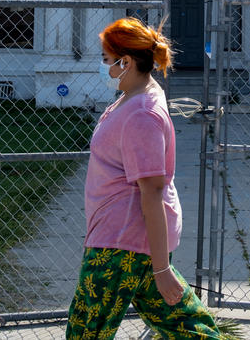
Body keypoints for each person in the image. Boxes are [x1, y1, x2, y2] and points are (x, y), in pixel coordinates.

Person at [66, 17, 221, 340]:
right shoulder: (134, 96)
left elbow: (151, 190)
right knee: (189, 327)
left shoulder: (142, 113)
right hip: (127, 239)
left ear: (127, 62)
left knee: (85, 332)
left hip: (120, 243)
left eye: (107, 60)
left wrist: (162, 269)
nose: (103, 66)